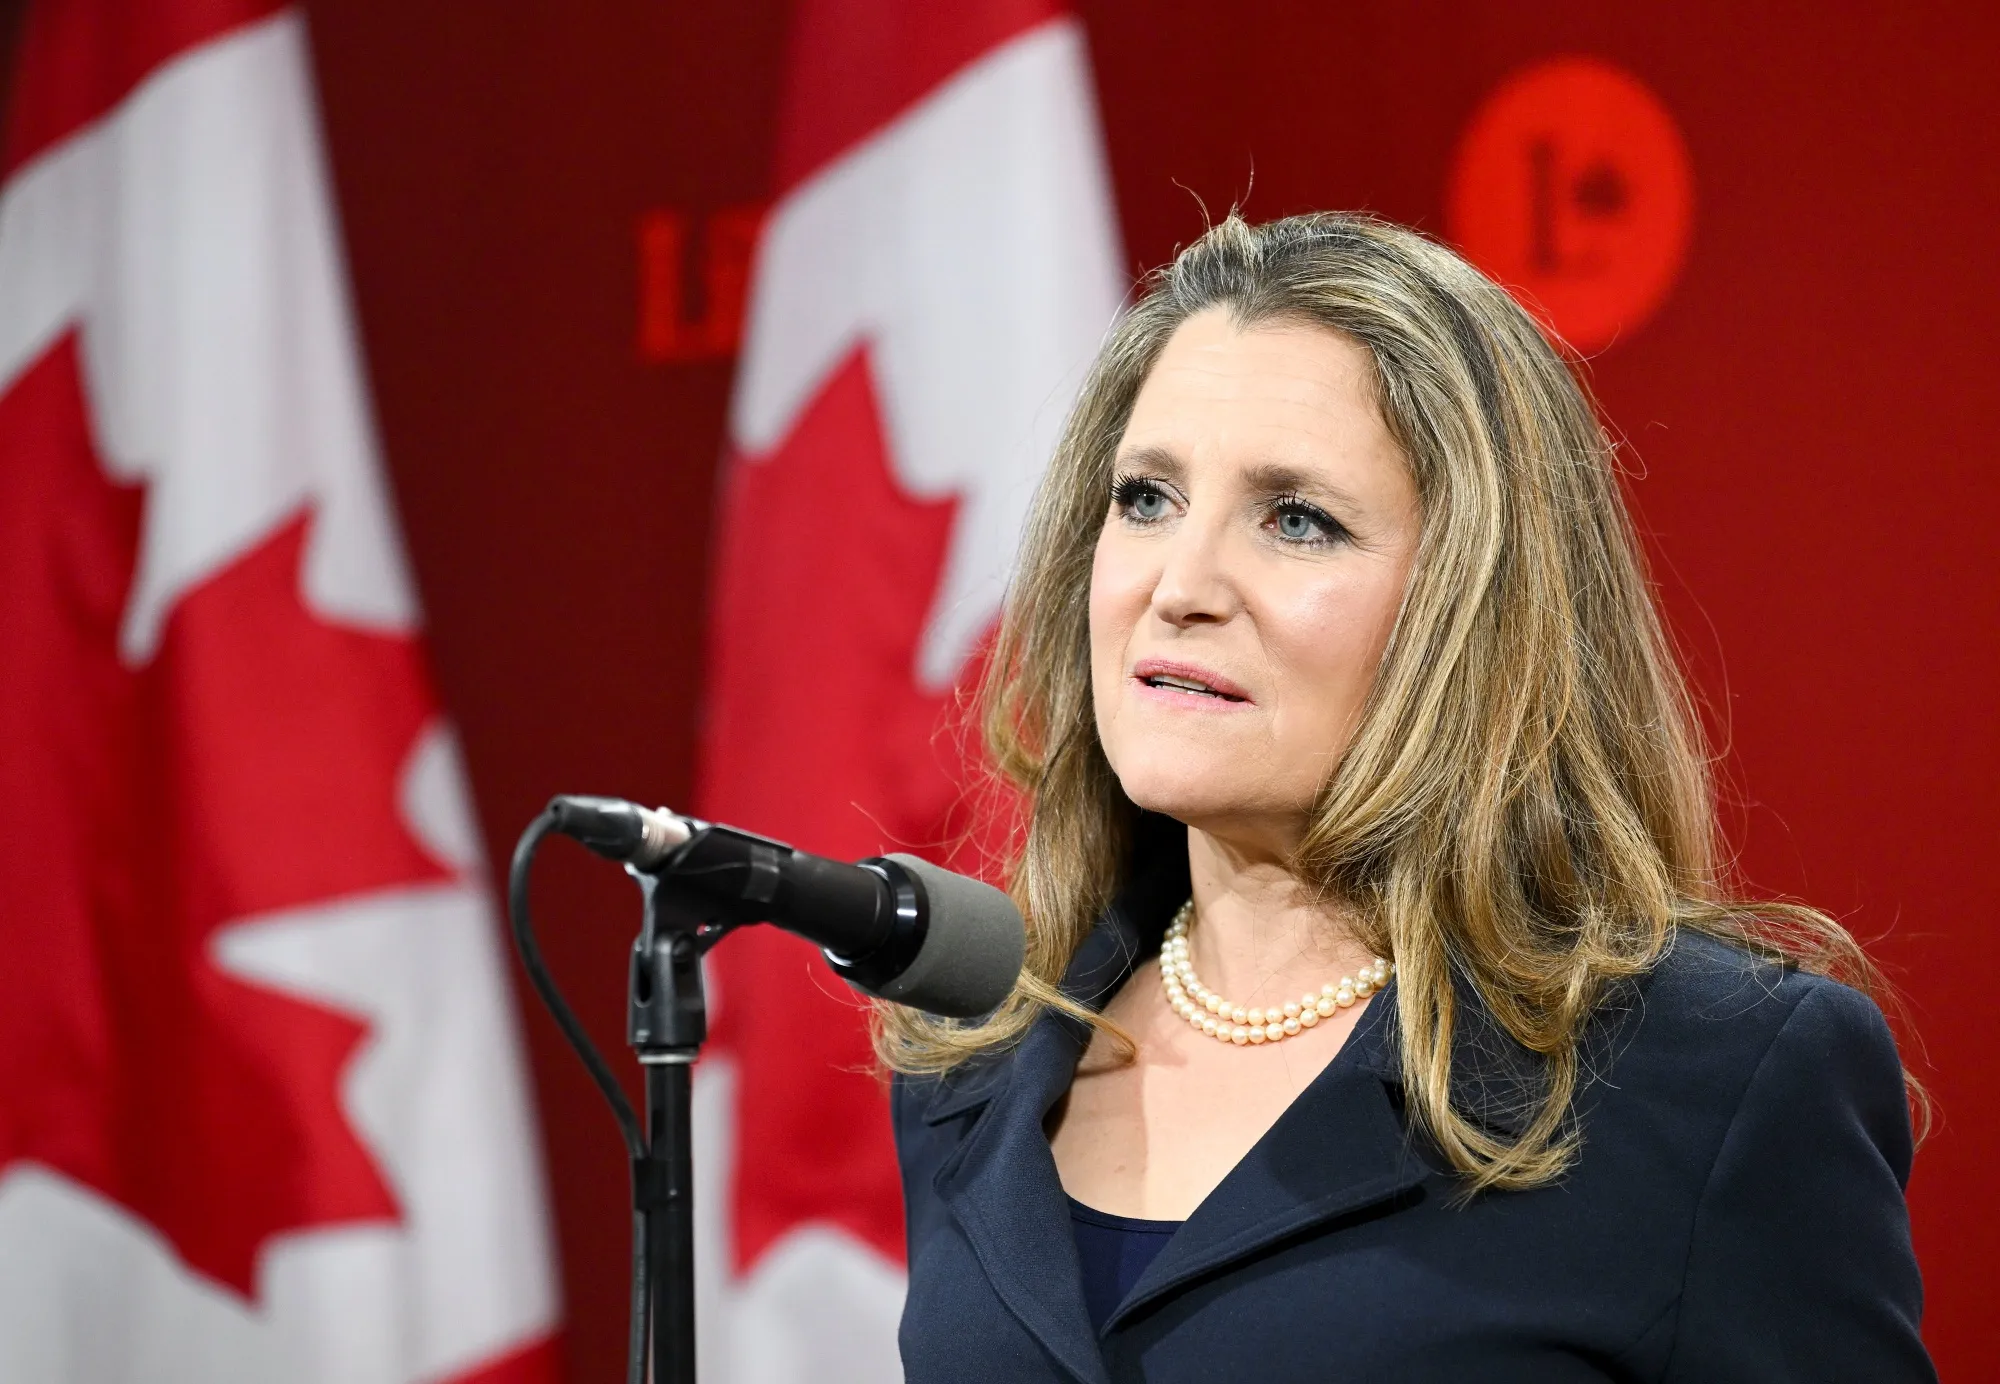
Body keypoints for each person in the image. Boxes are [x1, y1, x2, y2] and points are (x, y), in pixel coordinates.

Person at [878, 212, 1933, 1382]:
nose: (1178, 585)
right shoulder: (980, 1063)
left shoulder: (1713, 1081)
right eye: (1144, 499)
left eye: (1295, 520)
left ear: (1469, 610)